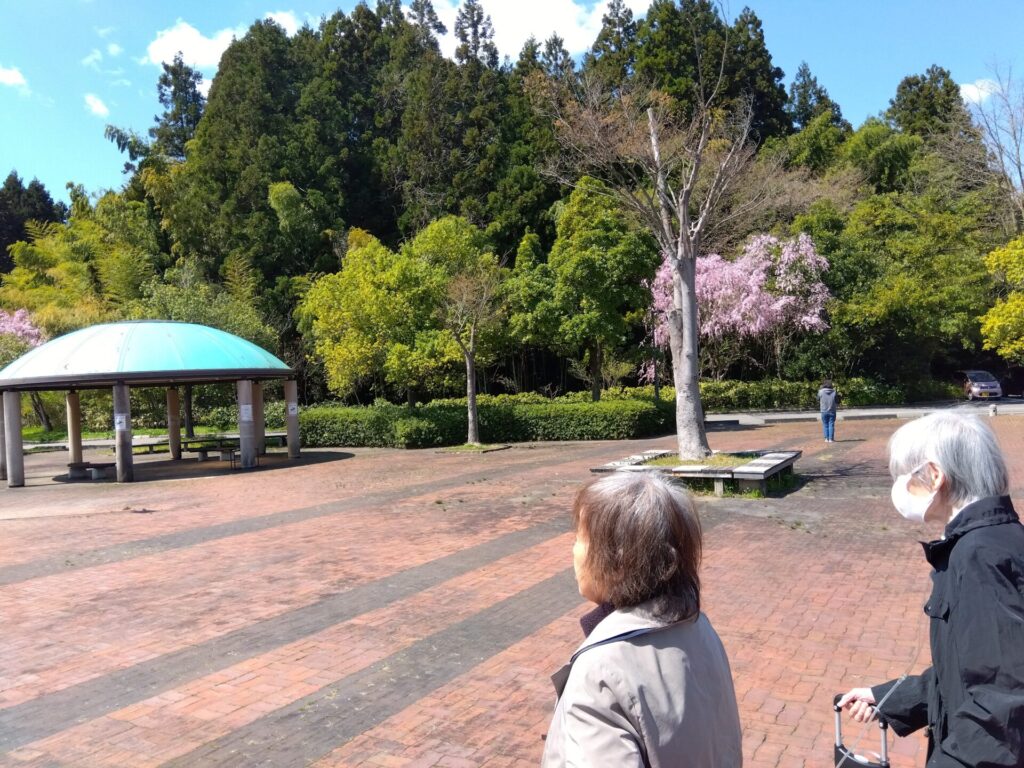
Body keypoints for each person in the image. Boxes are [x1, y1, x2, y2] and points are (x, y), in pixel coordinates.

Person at [839, 411, 1024, 766]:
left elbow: (1002, 709)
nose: (900, 487)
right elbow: (968, 673)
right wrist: (891, 698)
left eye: (905, 475)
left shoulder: (979, 556)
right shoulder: (992, 540)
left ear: (935, 475)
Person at [541, 472, 742, 767]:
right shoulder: (700, 627)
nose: (573, 550)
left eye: (579, 538)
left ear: (618, 561)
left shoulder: (600, 673)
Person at [818, 378, 839, 442]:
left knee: (825, 424)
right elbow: (837, 401)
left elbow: (817, 399)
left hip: (823, 410)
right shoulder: (834, 392)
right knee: (831, 424)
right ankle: (831, 439)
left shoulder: (820, 392)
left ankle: (826, 438)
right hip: (832, 410)